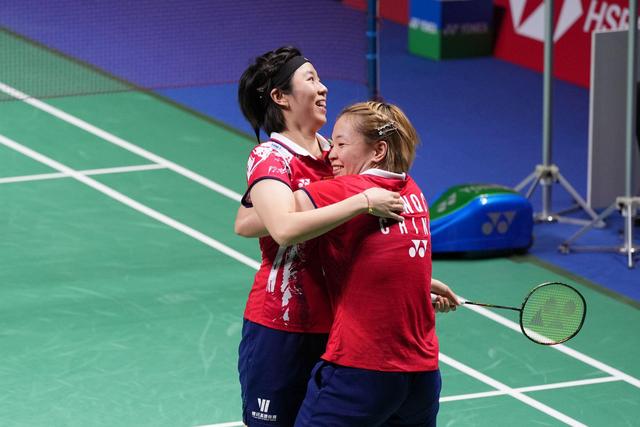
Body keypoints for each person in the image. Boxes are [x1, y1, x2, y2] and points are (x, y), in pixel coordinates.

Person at [235, 46, 405, 427]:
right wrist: (360, 201)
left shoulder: (336, 153)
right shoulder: (271, 158)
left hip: (341, 327)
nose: (323, 88)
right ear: (280, 97)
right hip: (282, 327)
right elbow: (278, 228)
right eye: (310, 79)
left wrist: (414, 283)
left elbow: (246, 222)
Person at [292, 101, 459, 426]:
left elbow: (274, 218)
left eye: (341, 144)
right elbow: (386, 258)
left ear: (378, 150)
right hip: (422, 378)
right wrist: (416, 290)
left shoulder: (345, 190)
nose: (331, 154)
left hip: (362, 370)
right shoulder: (415, 193)